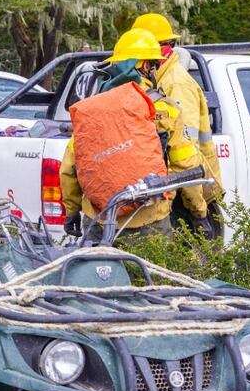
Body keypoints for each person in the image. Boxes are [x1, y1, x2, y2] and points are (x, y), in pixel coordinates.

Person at [62, 28, 211, 242]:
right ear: (146, 66)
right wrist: (199, 211)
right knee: (153, 275)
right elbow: (185, 162)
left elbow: (70, 168)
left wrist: (72, 211)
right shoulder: (163, 108)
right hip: (149, 219)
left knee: (100, 274)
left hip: (99, 221)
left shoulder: (91, 112)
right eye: (154, 64)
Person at [132, 13, 224, 221]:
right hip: (162, 190)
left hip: (183, 191)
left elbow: (186, 153)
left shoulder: (176, 84)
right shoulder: (152, 81)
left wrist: (197, 208)